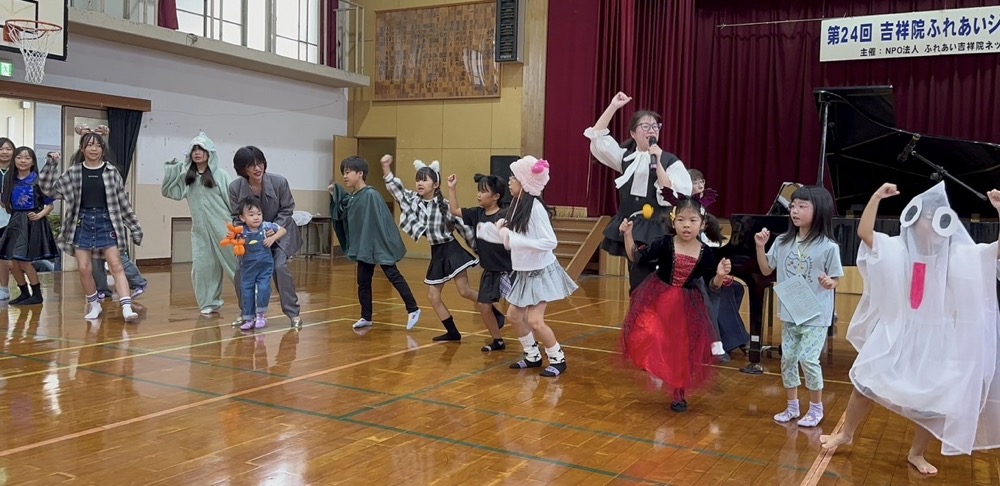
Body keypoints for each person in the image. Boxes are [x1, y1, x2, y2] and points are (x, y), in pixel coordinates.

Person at [820, 183, 1000, 475]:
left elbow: (995, 253)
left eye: (934, 217)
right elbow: (865, 234)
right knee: (864, 385)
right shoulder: (896, 249)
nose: (927, 222)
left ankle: (917, 453)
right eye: (922, 217)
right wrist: (876, 197)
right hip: (898, 332)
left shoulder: (956, 256)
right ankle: (846, 433)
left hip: (936, 338)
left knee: (933, 401)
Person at [620, 195, 731, 412]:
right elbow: (637, 257)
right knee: (649, 332)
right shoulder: (664, 244)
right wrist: (628, 234)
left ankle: (678, 393)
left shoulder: (705, 252)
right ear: (673, 221)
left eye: (692, 220)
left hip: (688, 304)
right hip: (659, 297)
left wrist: (719, 275)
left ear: (702, 224)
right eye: (681, 220)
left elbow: (713, 285)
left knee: (682, 349)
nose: (686, 225)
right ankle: (655, 367)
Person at [477, 156, 578, 376]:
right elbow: (511, 237)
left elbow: (549, 242)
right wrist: (489, 231)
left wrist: (513, 238)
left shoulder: (535, 209)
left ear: (524, 183)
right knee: (514, 315)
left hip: (541, 271)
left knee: (535, 320)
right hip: (523, 271)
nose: (510, 181)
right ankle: (532, 355)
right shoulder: (517, 206)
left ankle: (558, 358)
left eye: (514, 177)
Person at [584, 92, 693, 294]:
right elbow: (597, 139)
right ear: (633, 133)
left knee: (656, 282)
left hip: (658, 228)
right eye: (646, 126)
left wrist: (657, 161)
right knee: (637, 281)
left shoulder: (670, 161)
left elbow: (674, 196)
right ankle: (640, 320)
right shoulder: (625, 158)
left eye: (655, 127)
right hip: (631, 227)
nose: (651, 130)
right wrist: (613, 106)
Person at [754, 186, 843, 427]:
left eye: (803, 206)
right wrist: (761, 246)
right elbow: (765, 270)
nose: (795, 210)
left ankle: (816, 408)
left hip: (815, 315)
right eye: (793, 206)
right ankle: (792, 406)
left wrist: (829, 282)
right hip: (791, 311)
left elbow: (835, 278)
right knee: (788, 358)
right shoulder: (783, 241)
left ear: (819, 211)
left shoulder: (828, 246)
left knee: (808, 358)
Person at [37, 128, 143, 321]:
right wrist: (51, 164)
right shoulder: (74, 172)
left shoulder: (111, 172)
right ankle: (94, 305)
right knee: (84, 268)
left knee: (116, 265)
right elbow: (48, 190)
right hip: (81, 222)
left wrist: (134, 227)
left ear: (103, 149)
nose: (94, 149)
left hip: (106, 221)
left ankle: (126, 307)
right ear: (82, 148)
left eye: (98, 145)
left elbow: (122, 202)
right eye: (89, 145)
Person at [382, 155, 479, 341]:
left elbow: (465, 229)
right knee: (433, 296)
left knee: (464, 291)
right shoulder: (413, 201)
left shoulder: (445, 205)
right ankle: (452, 332)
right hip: (437, 252)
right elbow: (396, 189)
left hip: (451, 250)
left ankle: (492, 309)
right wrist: (386, 167)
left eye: (424, 179)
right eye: (418, 179)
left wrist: (480, 250)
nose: (420, 183)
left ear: (435, 184)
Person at [332, 155, 421, 330]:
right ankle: (366, 316)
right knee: (363, 281)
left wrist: (383, 243)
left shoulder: (371, 194)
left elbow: (382, 221)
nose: (345, 176)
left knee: (393, 275)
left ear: (360, 173)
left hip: (377, 245)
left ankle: (413, 309)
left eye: (348, 172)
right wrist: (334, 192)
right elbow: (342, 209)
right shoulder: (353, 196)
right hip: (365, 246)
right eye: (344, 172)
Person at [161, 132, 238, 315]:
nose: (197, 153)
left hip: (225, 230)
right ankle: (209, 302)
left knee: (236, 265)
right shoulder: (188, 177)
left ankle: (253, 299)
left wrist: (237, 227)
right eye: (194, 149)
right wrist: (174, 169)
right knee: (203, 267)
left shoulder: (221, 175)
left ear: (209, 153)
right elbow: (169, 192)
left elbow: (232, 203)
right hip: (201, 232)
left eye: (201, 149)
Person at [228, 146, 302, 327]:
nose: (256, 168)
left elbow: (287, 210)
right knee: (241, 272)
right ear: (242, 169)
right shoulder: (235, 187)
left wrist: (274, 230)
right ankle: (246, 314)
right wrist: (241, 235)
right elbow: (235, 217)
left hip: (279, 233)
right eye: (250, 165)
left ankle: (293, 314)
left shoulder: (279, 182)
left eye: (259, 163)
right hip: (252, 238)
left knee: (279, 267)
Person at [448, 172, 510, 352]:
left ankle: (531, 342)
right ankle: (497, 340)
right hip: (490, 271)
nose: (479, 195)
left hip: (508, 271)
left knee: (518, 311)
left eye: (483, 192)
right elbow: (455, 210)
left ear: (496, 196)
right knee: (484, 306)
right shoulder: (476, 214)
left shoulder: (505, 215)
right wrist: (452, 189)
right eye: (478, 191)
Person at [0, 146, 58, 305]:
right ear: (14, 160)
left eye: (27, 158)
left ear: (32, 161)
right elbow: (6, 203)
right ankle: (24, 292)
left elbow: (50, 205)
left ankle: (37, 294)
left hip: (32, 223)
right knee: (11, 261)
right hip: (15, 222)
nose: (23, 161)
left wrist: (39, 215)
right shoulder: (11, 180)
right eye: (19, 157)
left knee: (24, 261)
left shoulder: (38, 180)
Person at [232, 197, 286, 331]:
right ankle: (248, 317)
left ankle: (261, 315)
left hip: (264, 267)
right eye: (251, 215)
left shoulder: (267, 226)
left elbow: (283, 230)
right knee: (246, 291)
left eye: (259, 214)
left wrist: (273, 238)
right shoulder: (241, 231)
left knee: (263, 289)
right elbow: (234, 241)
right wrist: (236, 245)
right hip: (247, 268)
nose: (256, 217)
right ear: (242, 218)